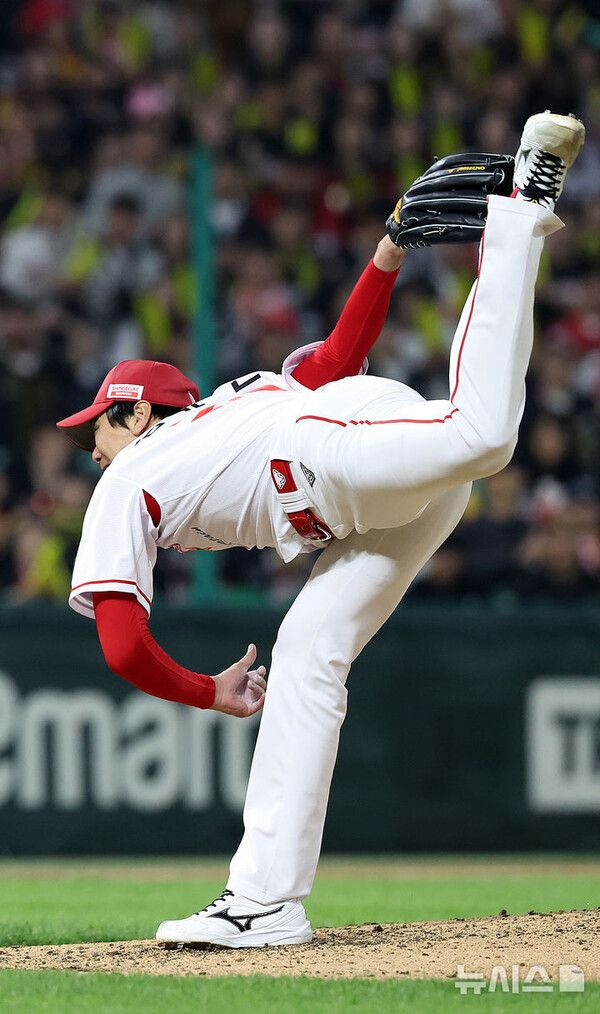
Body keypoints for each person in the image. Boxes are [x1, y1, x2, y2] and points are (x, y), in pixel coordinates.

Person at [57, 111, 584, 949]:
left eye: (98, 428)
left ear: (138, 413)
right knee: (308, 653)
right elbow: (338, 356)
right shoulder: (240, 396)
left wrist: (207, 692)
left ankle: (520, 206)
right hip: (353, 474)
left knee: (483, 437)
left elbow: (121, 647)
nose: (92, 450)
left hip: (321, 456)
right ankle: (264, 901)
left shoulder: (132, 473)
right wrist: (388, 250)